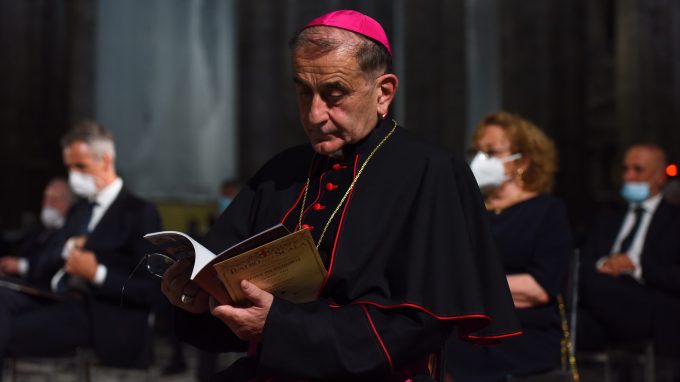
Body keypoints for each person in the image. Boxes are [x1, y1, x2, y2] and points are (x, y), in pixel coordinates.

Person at [161, 9, 520, 382]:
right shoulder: (280, 172)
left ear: (383, 93)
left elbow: (419, 324)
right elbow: (223, 289)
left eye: (334, 95)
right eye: (304, 92)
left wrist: (282, 326)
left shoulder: (430, 171)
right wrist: (196, 301)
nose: (315, 114)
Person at [0, 120, 162, 369]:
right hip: (56, 296)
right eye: (69, 168)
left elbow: (150, 290)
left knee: (10, 330)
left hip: (101, 313)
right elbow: (44, 259)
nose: (74, 176)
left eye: (80, 166)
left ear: (105, 160)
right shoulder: (78, 211)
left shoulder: (139, 213)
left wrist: (97, 274)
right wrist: (64, 250)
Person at [446, 111, 573, 381]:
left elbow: (539, 288)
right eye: (476, 151)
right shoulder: (469, 209)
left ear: (522, 161)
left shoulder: (547, 211)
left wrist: (469, 286)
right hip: (465, 324)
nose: (480, 160)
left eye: (491, 152)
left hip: (521, 333)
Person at [577, 144, 680, 361]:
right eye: (625, 169)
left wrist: (637, 267)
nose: (629, 176)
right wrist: (605, 263)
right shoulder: (607, 219)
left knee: (588, 284)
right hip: (601, 300)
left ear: (660, 177)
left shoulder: (674, 221)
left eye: (638, 170)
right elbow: (585, 262)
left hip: (649, 305)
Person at [0, 178, 74, 289]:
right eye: (45, 199)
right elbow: (18, 246)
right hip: (22, 283)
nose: (47, 205)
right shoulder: (39, 229)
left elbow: (53, 264)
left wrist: (21, 266)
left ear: (69, 204)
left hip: (45, 292)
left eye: (54, 200)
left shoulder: (70, 234)